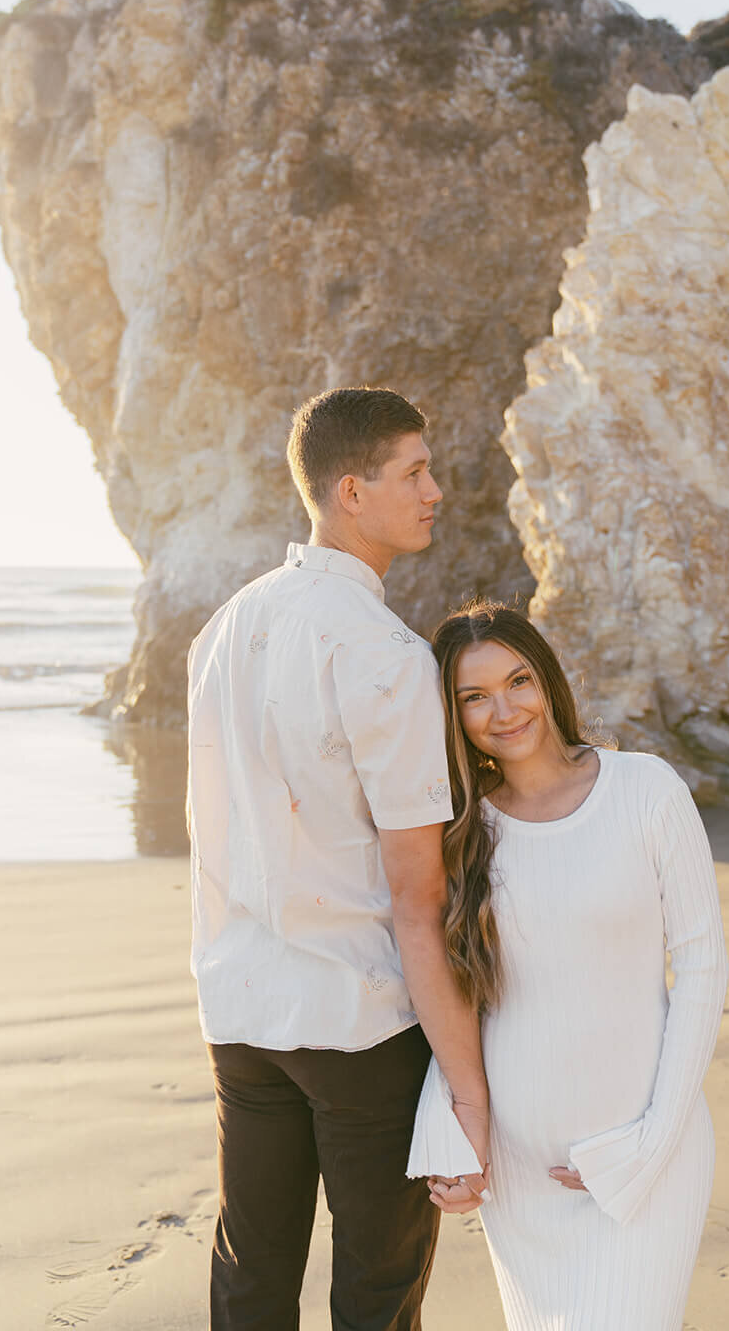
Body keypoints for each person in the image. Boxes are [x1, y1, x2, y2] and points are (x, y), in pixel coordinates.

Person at [187, 388, 487, 1331]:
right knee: (377, 1288)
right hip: (359, 1020)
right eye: (414, 472)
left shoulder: (224, 629)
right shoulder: (386, 655)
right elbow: (415, 896)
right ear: (350, 491)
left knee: (251, 1268)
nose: (435, 490)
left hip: (240, 1008)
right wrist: (469, 1089)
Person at [406, 601, 728, 1331]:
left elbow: (703, 969)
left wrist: (648, 1146)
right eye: (473, 697)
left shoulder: (646, 790)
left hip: (647, 1146)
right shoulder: (465, 829)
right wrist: (450, 1130)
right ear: (453, 717)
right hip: (520, 1168)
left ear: (547, 680)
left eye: (517, 681)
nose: (503, 709)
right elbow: (459, 995)